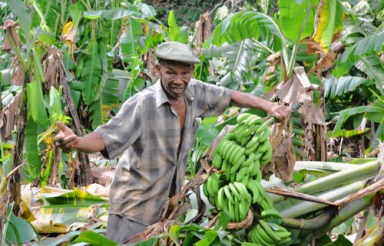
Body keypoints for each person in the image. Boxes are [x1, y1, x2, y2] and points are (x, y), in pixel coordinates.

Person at [55, 41, 291, 243]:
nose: (179, 80)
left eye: (185, 73)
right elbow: (104, 137)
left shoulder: (194, 93)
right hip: (135, 207)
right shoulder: (143, 104)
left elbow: (230, 97)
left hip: (169, 205)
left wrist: (269, 106)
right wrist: (76, 143)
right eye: (171, 73)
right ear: (158, 69)